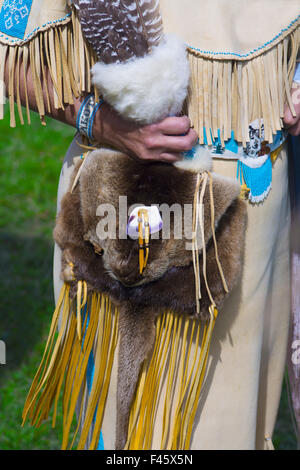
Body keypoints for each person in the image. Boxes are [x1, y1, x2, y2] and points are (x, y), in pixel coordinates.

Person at [1, 0, 300, 450]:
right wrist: (102, 123)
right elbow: (10, 53)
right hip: (132, 206)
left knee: (235, 423)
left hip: (257, 208)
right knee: (129, 429)